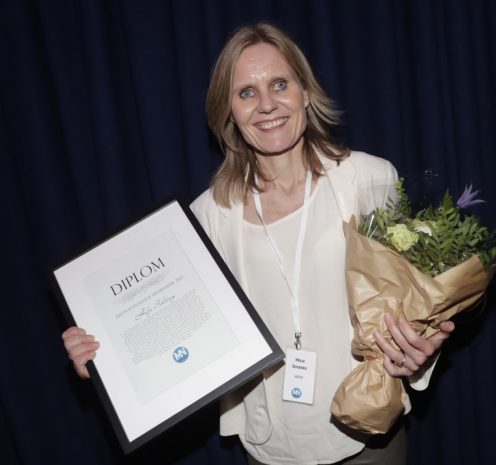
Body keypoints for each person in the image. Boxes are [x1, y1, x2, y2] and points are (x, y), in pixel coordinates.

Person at [62, 22, 454, 465]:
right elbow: (166, 322)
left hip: (367, 434)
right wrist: (104, 354)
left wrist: (420, 349)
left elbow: (413, 303)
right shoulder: (206, 217)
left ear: (305, 92)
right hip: (270, 448)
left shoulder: (369, 180)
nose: (267, 104)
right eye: (246, 92)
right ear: (229, 112)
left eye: (280, 84)